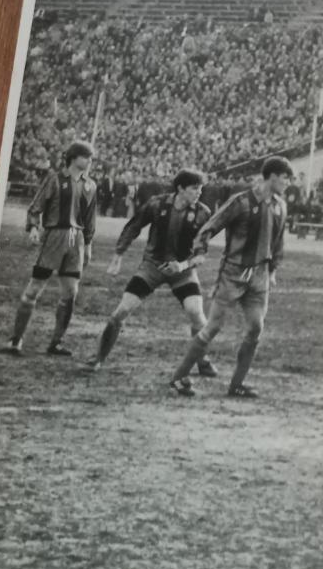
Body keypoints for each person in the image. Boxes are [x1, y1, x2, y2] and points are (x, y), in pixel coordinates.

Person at [167, 156, 292, 398]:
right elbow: (210, 226)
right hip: (233, 274)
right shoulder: (241, 202)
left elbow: (278, 242)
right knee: (212, 328)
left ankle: (237, 385)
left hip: (259, 277)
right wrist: (200, 251)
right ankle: (178, 377)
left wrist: (272, 270)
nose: (288, 183)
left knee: (256, 327)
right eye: (286, 177)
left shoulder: (280, 206)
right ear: (273, 176)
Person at [89, 169, 215, 374]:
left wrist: (182, 266)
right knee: (120, 312)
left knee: (197, 315)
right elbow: (133, 226)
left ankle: (202, 360)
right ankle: (98, 358)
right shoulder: (157, 204)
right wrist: (118, 254)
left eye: (201, 188)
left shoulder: (203, 213)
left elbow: (201, 254)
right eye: (194, 188)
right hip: (152, 267)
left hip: (182, 271)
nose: (199, 192)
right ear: (180, 188)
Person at [0, 141, 98, 357]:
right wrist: (34, 227)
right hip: (54, 237)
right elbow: (36, 206)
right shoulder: (55, 178)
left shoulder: (90, 185)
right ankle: (16, 340)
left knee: (71, 292)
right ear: (74, 157)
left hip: (77, 242)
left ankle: (56, 342)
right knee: (35, 288)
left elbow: (90, 220)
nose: (90, 161)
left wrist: (88, 245)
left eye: (91, 158)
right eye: (87, 156)